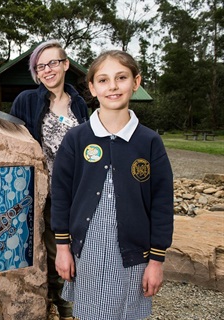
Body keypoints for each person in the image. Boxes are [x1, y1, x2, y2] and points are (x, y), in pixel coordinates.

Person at [51, 50, 174, 319]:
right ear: (93, 88)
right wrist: (62, 248)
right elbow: (61, 194)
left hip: (133, 254)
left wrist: (156, 261)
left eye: (121, 78)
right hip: (87, 250)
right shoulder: (76, 139)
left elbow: (163, 203)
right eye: (104, 80)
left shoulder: (149, 142)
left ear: (136, 82)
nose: (113, 87)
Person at [10, 40, 89, 320]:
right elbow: (13, 143)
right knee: (55, 250)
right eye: (41, 66)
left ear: (66, 64)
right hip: (46, 193)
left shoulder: (79, 104)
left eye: (53, 62)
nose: (48, 70)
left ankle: (86, 299)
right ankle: (65, 306)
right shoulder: (27, 100)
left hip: (79, 191)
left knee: (82, 247)